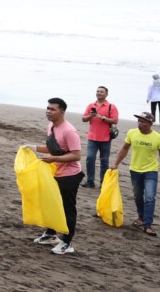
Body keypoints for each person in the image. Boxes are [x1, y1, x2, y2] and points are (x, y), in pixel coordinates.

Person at [32, 97, 83, 255]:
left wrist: (55, 159)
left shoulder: (69, 131)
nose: (48, 111)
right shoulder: (51, 126)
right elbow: (52, 148)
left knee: (68, 208)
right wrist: (32, 147)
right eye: (47, 108)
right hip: (55, 172)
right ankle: (51, 234)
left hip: (70, 175)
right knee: (51, 204)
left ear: (61, 112)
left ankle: (67, 242)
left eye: (52, 109)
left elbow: (76, 155)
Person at [111, 111, 160, 236]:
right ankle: (141, 217)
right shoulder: (132, 133)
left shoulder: (158, 138)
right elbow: (125, 148)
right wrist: (116, 163)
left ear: (149, 123)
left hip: (151, 170)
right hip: (135, 170)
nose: (140, 123)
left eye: (143, 121)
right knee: (137, 196)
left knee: (149, 197)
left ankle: (148, 225)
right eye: (139, 121)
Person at [82, 85, 119, 188]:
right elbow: (84, 119)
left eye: (101, 92)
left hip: (106, 138)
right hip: (92, 138)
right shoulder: (91, 105)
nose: (99, 93)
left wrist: (102, 118)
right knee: (90, 158)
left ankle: (103, 182)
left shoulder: (111, 106)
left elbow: (115, 120)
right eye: (98, 91)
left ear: (106, 94)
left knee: (104, 161)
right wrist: (91, 115)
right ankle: (90, 181)